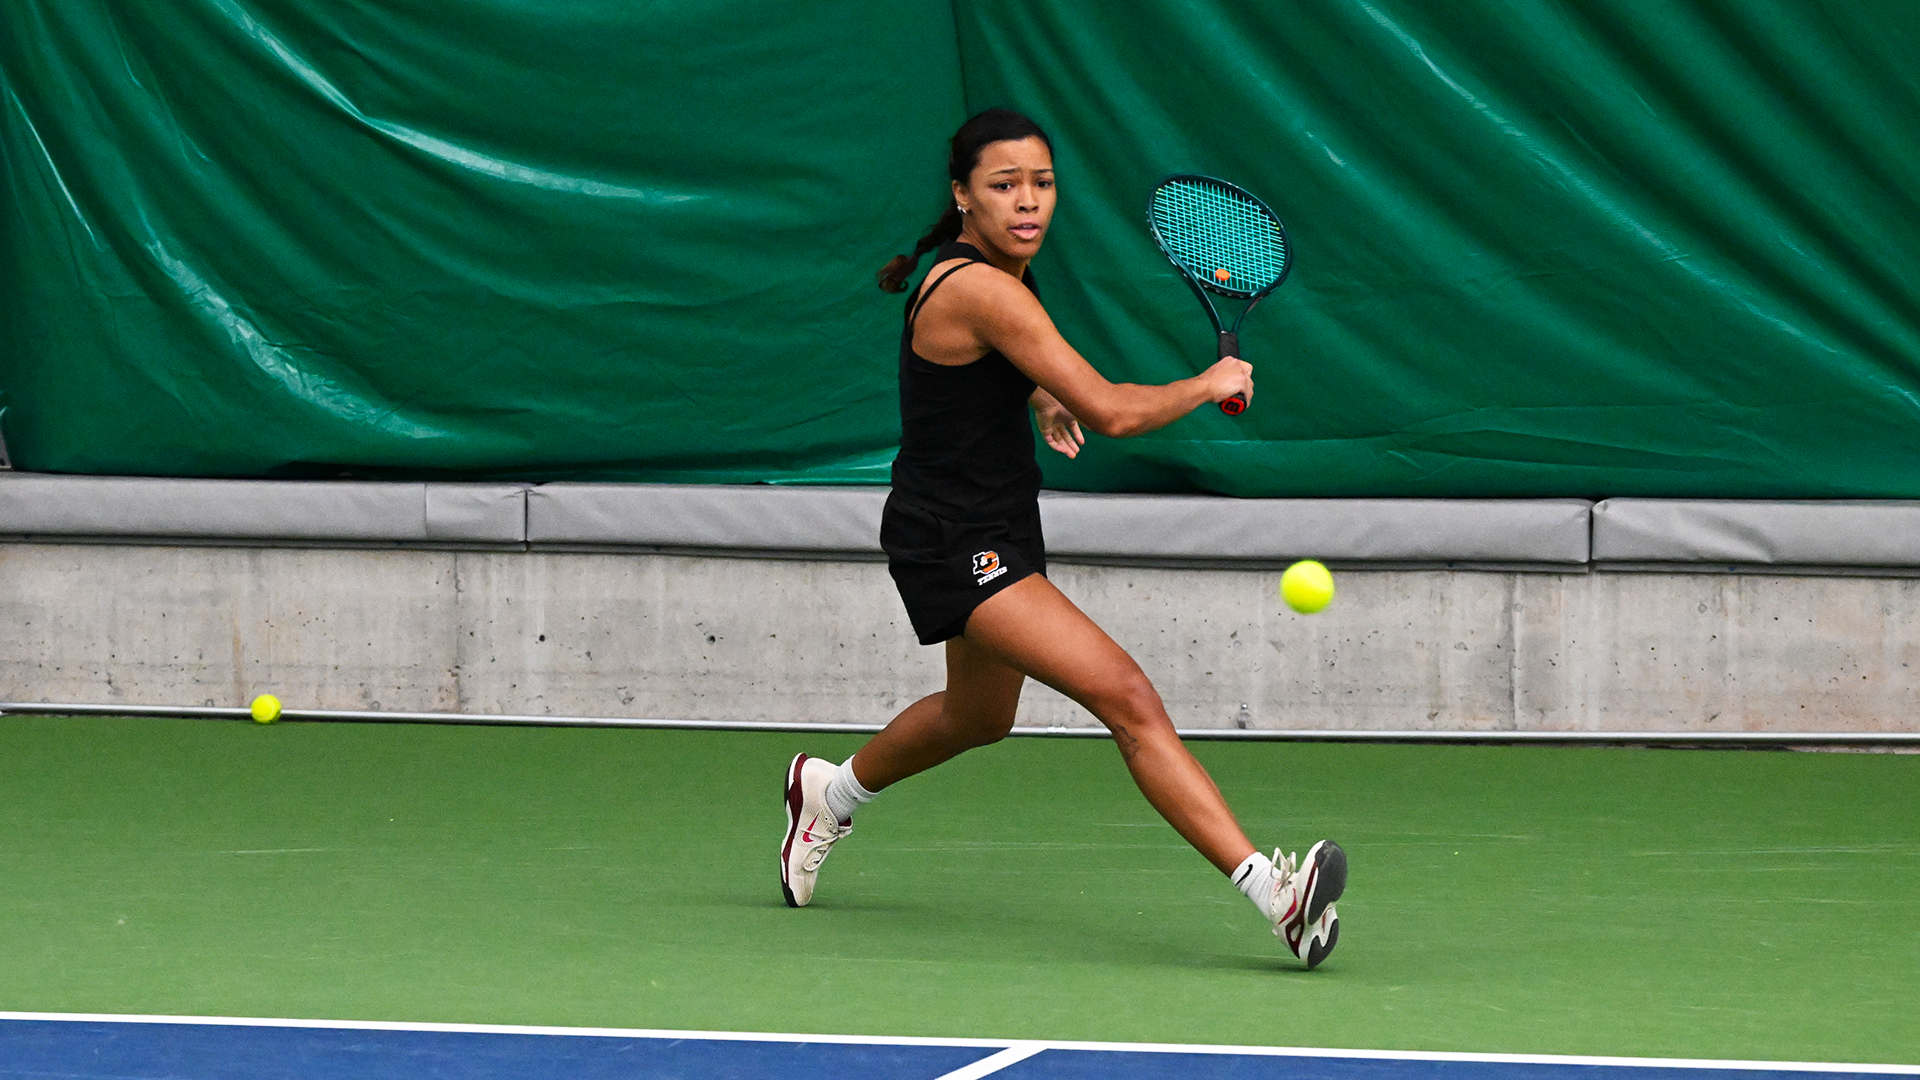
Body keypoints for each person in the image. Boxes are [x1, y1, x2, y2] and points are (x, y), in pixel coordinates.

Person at [779, 108, 1346, 968]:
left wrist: (1037, 398)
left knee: (977, 717)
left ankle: (830, 793)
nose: (1028, 201)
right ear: (963, 195)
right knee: (1126, 693)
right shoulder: (981, 287)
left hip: (996, 520)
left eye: (1041, 183)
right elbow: (1113, 409)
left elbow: (1003, 367)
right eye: (1004, 185)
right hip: (954, 537)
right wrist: (1207, 383)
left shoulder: (1003, 275)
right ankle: (1277, 895)